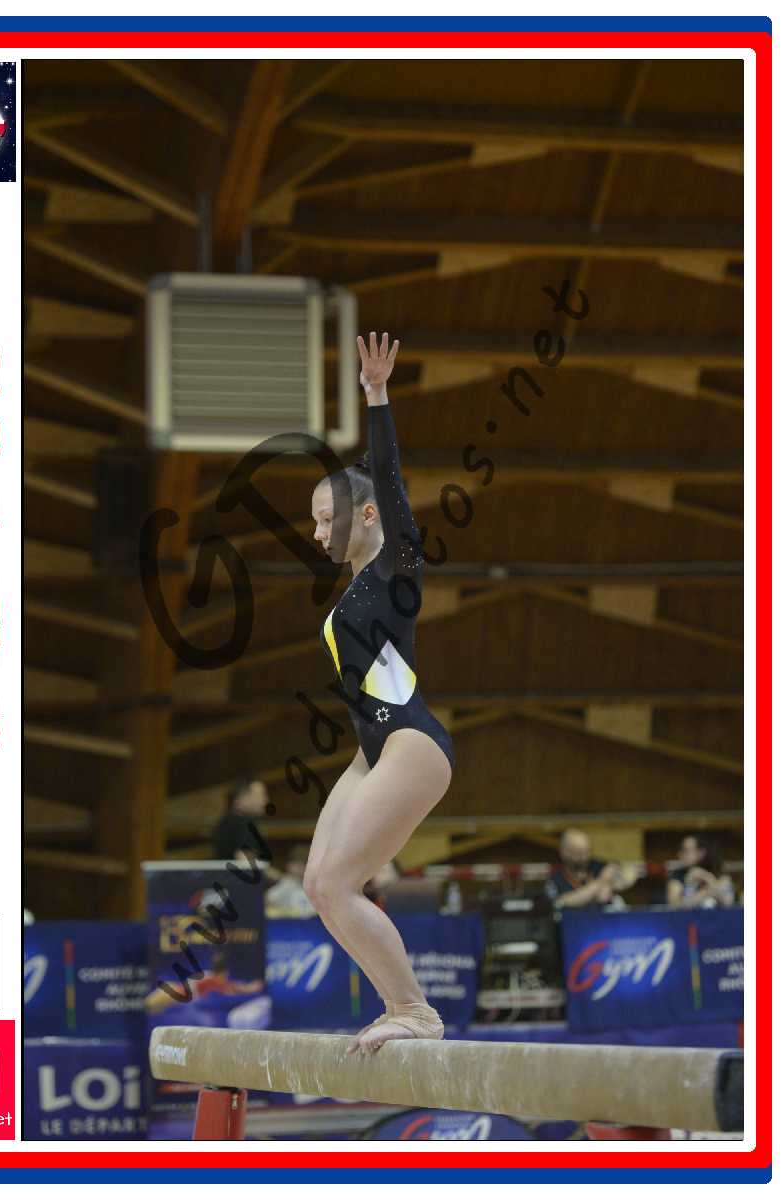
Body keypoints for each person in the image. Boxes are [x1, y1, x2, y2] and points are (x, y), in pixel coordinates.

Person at [303, 332, 455, 1056]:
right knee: (317, 885)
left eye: (325, 517)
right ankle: (400, 1005)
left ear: (366, 517)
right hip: (371, 754)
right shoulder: (354, 591)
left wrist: (376, 396)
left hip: (410, 744)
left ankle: (413, 1009)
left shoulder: (397, 568)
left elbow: (387, 478)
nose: (316, 532)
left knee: (338, 884)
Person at [545, 828, 628, 910]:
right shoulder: (555, 874)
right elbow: (561, 902)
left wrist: (611, 885)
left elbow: (627, 874)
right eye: (578, 853)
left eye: (587, 851)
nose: (584, 857)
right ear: (564, 852)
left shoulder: (597, 865)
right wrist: (602, 881)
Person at [666, 834, 735, 909]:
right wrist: (693, 887)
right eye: (681, 850)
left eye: (686, 851)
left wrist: (707, 877)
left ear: (701, 852)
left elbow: (728, 902)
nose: (680, 854)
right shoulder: (677, 876)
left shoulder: (718, 873)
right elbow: (674, 906)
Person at [211, 777, 270, 863]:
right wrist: (275, 873)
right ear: (243, 797)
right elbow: (245, 862)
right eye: (261, 796)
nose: (266, 800)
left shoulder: (226, 820)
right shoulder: (245, 823)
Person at [265, 845, 316, 917]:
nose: (299, 867)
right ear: (289, 865)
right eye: (296, 864)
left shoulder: (317, 884)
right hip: (291, 922)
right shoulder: (287, 883)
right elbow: (268, 900)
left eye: (303, 863)